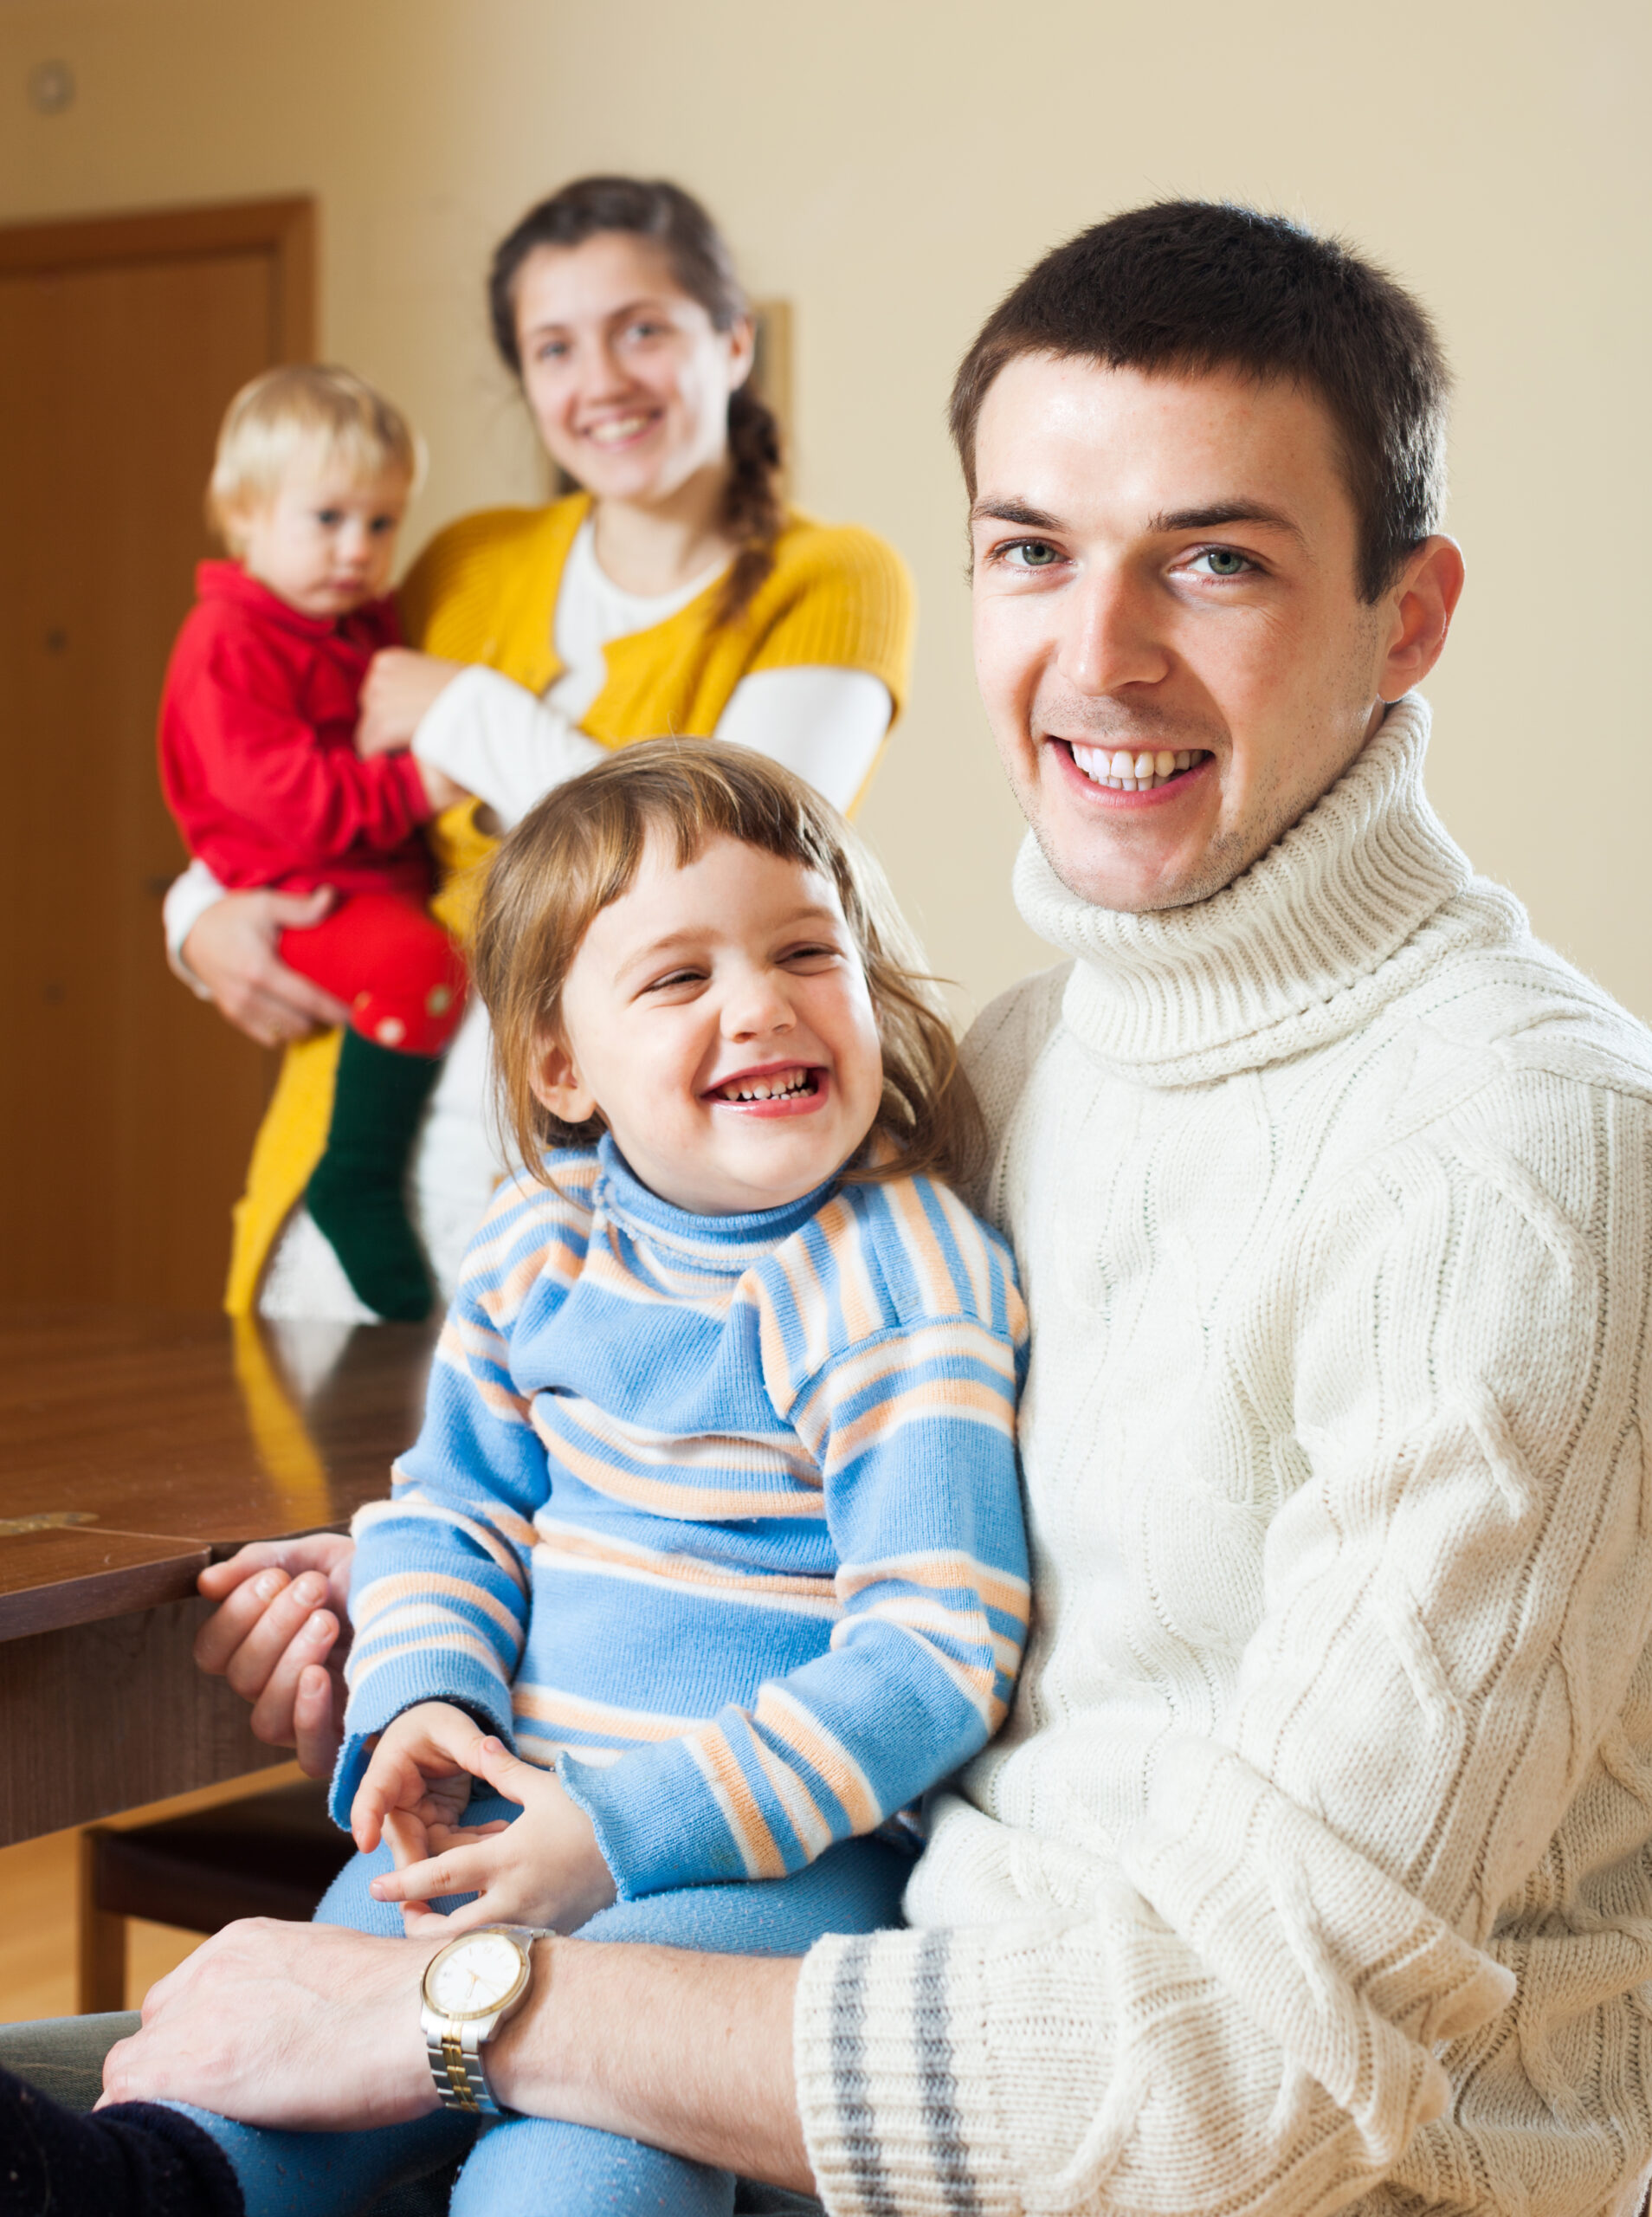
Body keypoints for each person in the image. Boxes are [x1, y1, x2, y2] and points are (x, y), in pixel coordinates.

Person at [27, 197, 1652, 2217]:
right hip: (830, 2053)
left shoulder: (1515, 1160)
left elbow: (1265, 2078)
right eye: (1030, 552)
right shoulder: (1022, 1071)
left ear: (1406, 614)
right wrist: (459, 1629)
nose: (1098, 653)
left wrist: (468, 1998)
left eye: (1212, 558)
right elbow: (776, 1502)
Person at [153, 739, 1030, 2217]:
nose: (760, 1001)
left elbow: (933, 1661)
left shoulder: (896, 1272)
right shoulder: (537, 1239)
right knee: (234, 2093)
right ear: (561, 1063)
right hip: (503, 1825)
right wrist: (421, 1700)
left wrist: (616, 1835)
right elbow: (451, 1512)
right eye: (678, 979)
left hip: (755, 1872)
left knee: (573, 2177)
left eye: (807, 952)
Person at [165, 175, 914, 1324]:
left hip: (612, 1229)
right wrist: (193, 916)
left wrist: (469, 711)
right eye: (555, 347)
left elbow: (725, 862)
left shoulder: (835, 579)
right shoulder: (466, 562)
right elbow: (287, 762)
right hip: (345, 1191)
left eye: (643, 331)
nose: (601, 381)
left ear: (731, 341)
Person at [158, 366, 468, 1322]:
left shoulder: (356, 619)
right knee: (422, 965)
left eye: (380, 525)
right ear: (245, 516)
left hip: (362, 875)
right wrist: (420, 783)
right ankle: (355, 1175)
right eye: (327, 519)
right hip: (301, 884)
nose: (357, 549)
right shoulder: (229, 641)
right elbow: (288, 800)